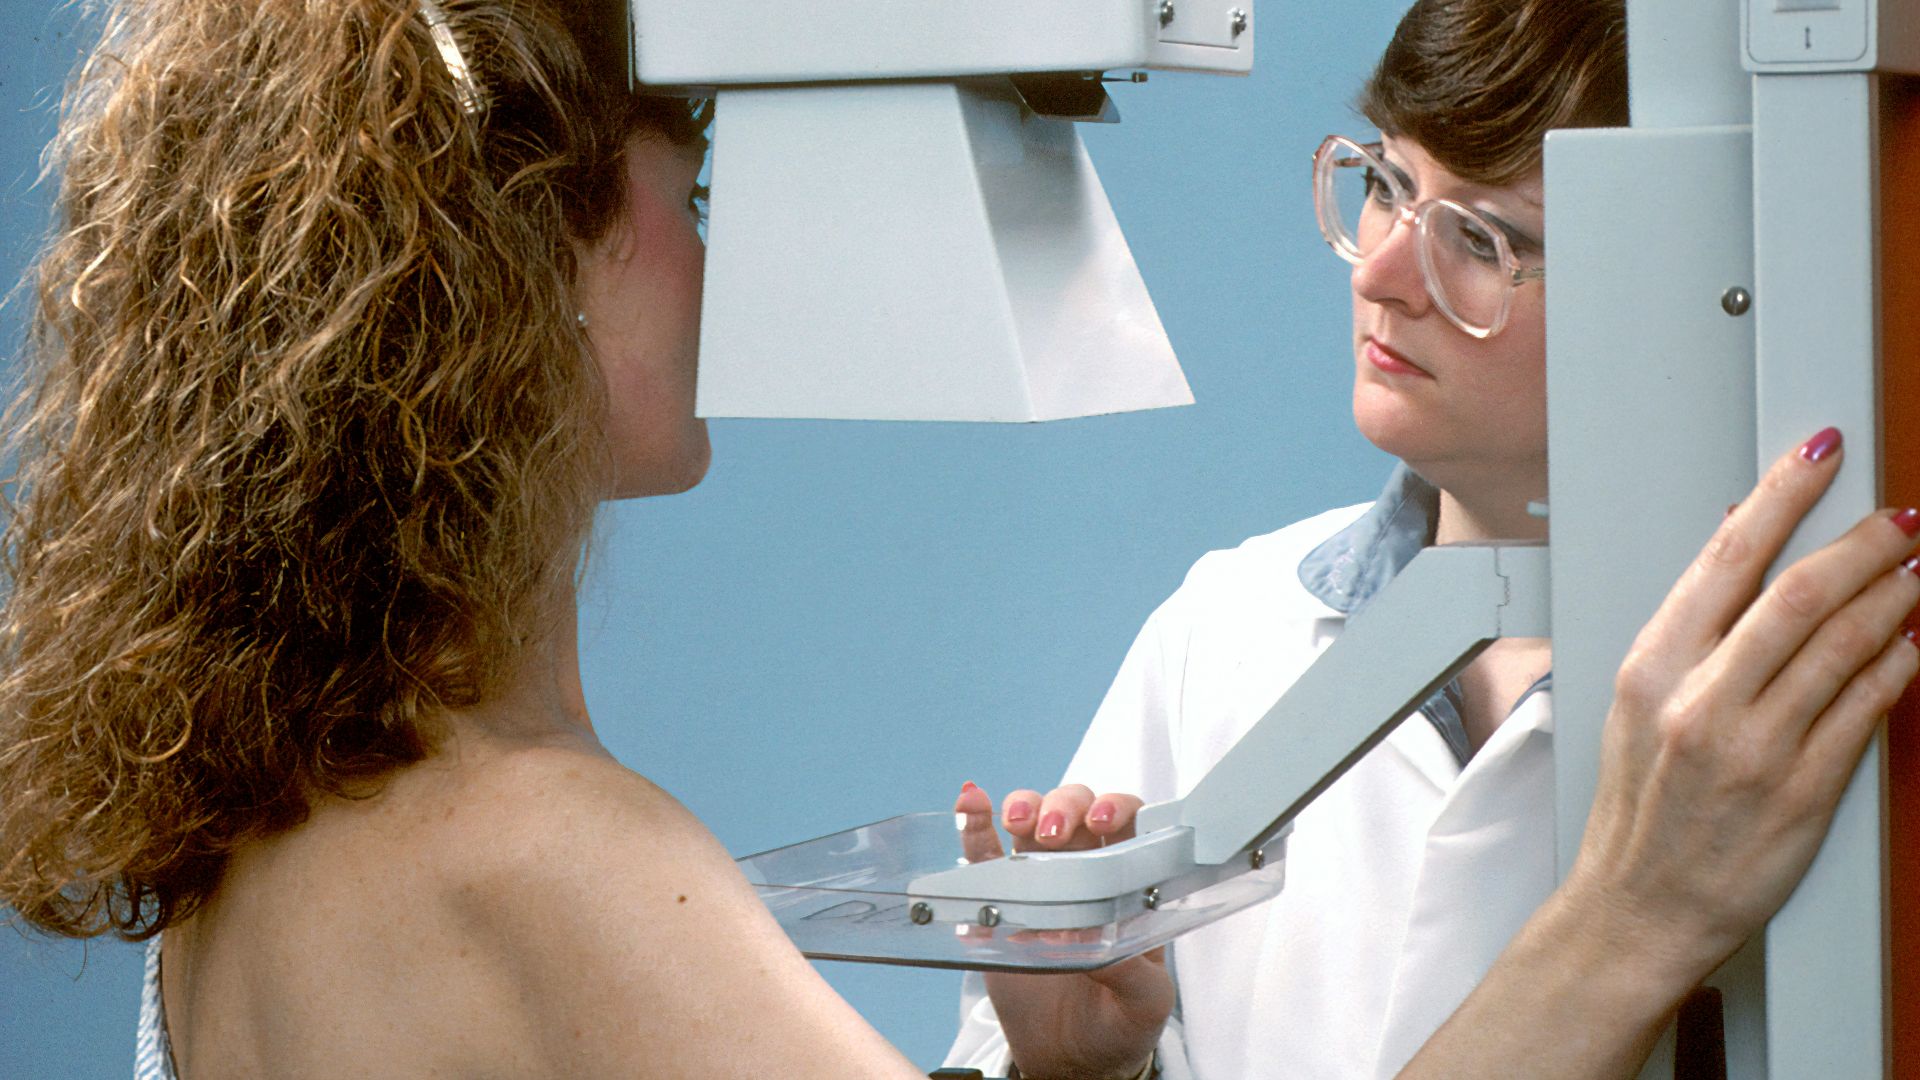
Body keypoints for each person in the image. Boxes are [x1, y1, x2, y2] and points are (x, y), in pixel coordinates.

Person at [0, 3, 1908, 1080]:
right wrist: (1633, 922)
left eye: (1485, 235)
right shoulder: (540, 856)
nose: (719, 249)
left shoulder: (278, 847)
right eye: (691, 181)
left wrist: (1076, 1071)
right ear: (523, 268)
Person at [943, 1, 1920, 1078]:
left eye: (1486, 240)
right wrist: (1087, 1073)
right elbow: (1030, 1039)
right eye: (1386, 185)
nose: (1379, 276)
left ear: (1697, 284)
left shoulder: (1790, 688)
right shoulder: (1225, 627)